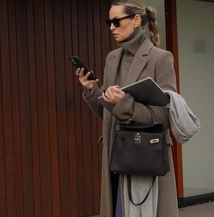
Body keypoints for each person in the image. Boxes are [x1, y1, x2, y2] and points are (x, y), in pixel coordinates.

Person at [75, 0, 178, 217]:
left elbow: (167, 115)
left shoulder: (161, 58)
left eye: (116, 21)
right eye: (108, 22)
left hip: (145, 157)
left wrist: (124, 104)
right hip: (117, 155)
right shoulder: (112, 59)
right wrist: (92, 91)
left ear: (136, 20)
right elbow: (107, 114)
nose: (111, 27)